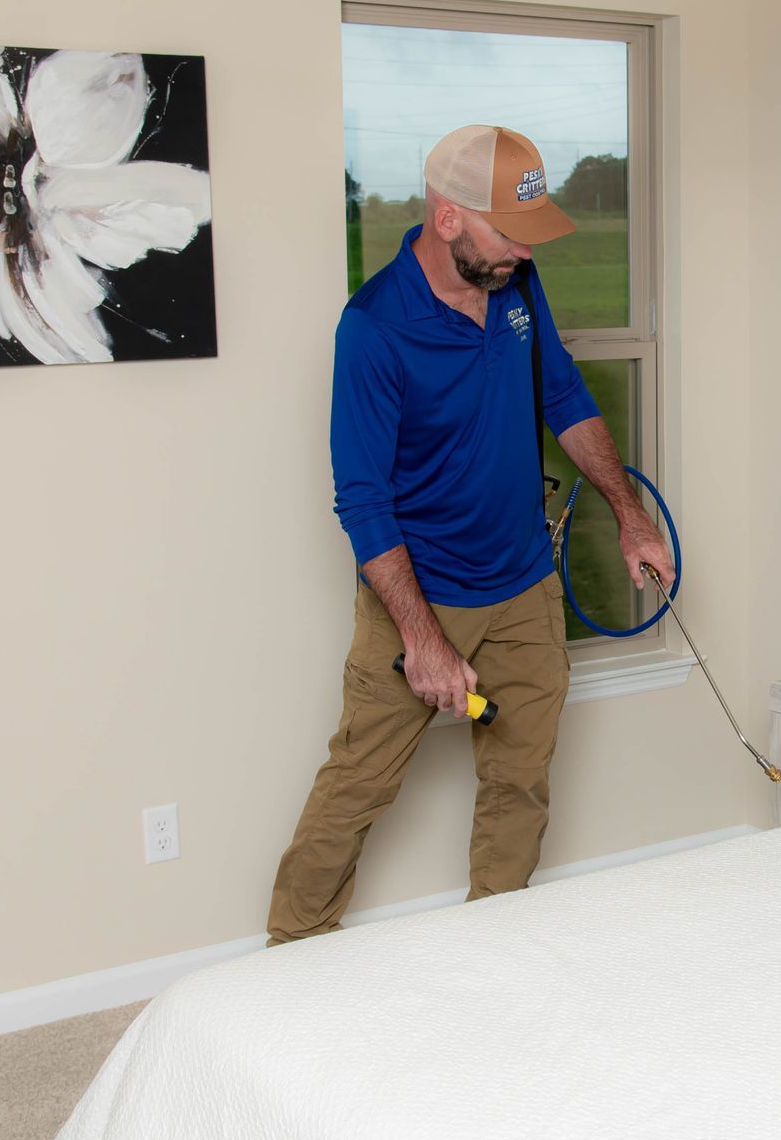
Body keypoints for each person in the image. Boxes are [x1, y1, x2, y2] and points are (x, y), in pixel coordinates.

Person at [267, 125, 673, 944]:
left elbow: (562, 394)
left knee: (520, 786)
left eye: (529, 238)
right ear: (448, 218)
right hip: (418, 597)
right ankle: (290, 960)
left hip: (524, 587)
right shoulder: (375, 328)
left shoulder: (516, 285)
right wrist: (420, 639)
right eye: (507, 235)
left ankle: (495, 952)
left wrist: (631, 516)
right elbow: (363, 500)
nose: (522, 255)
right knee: (357, 789)